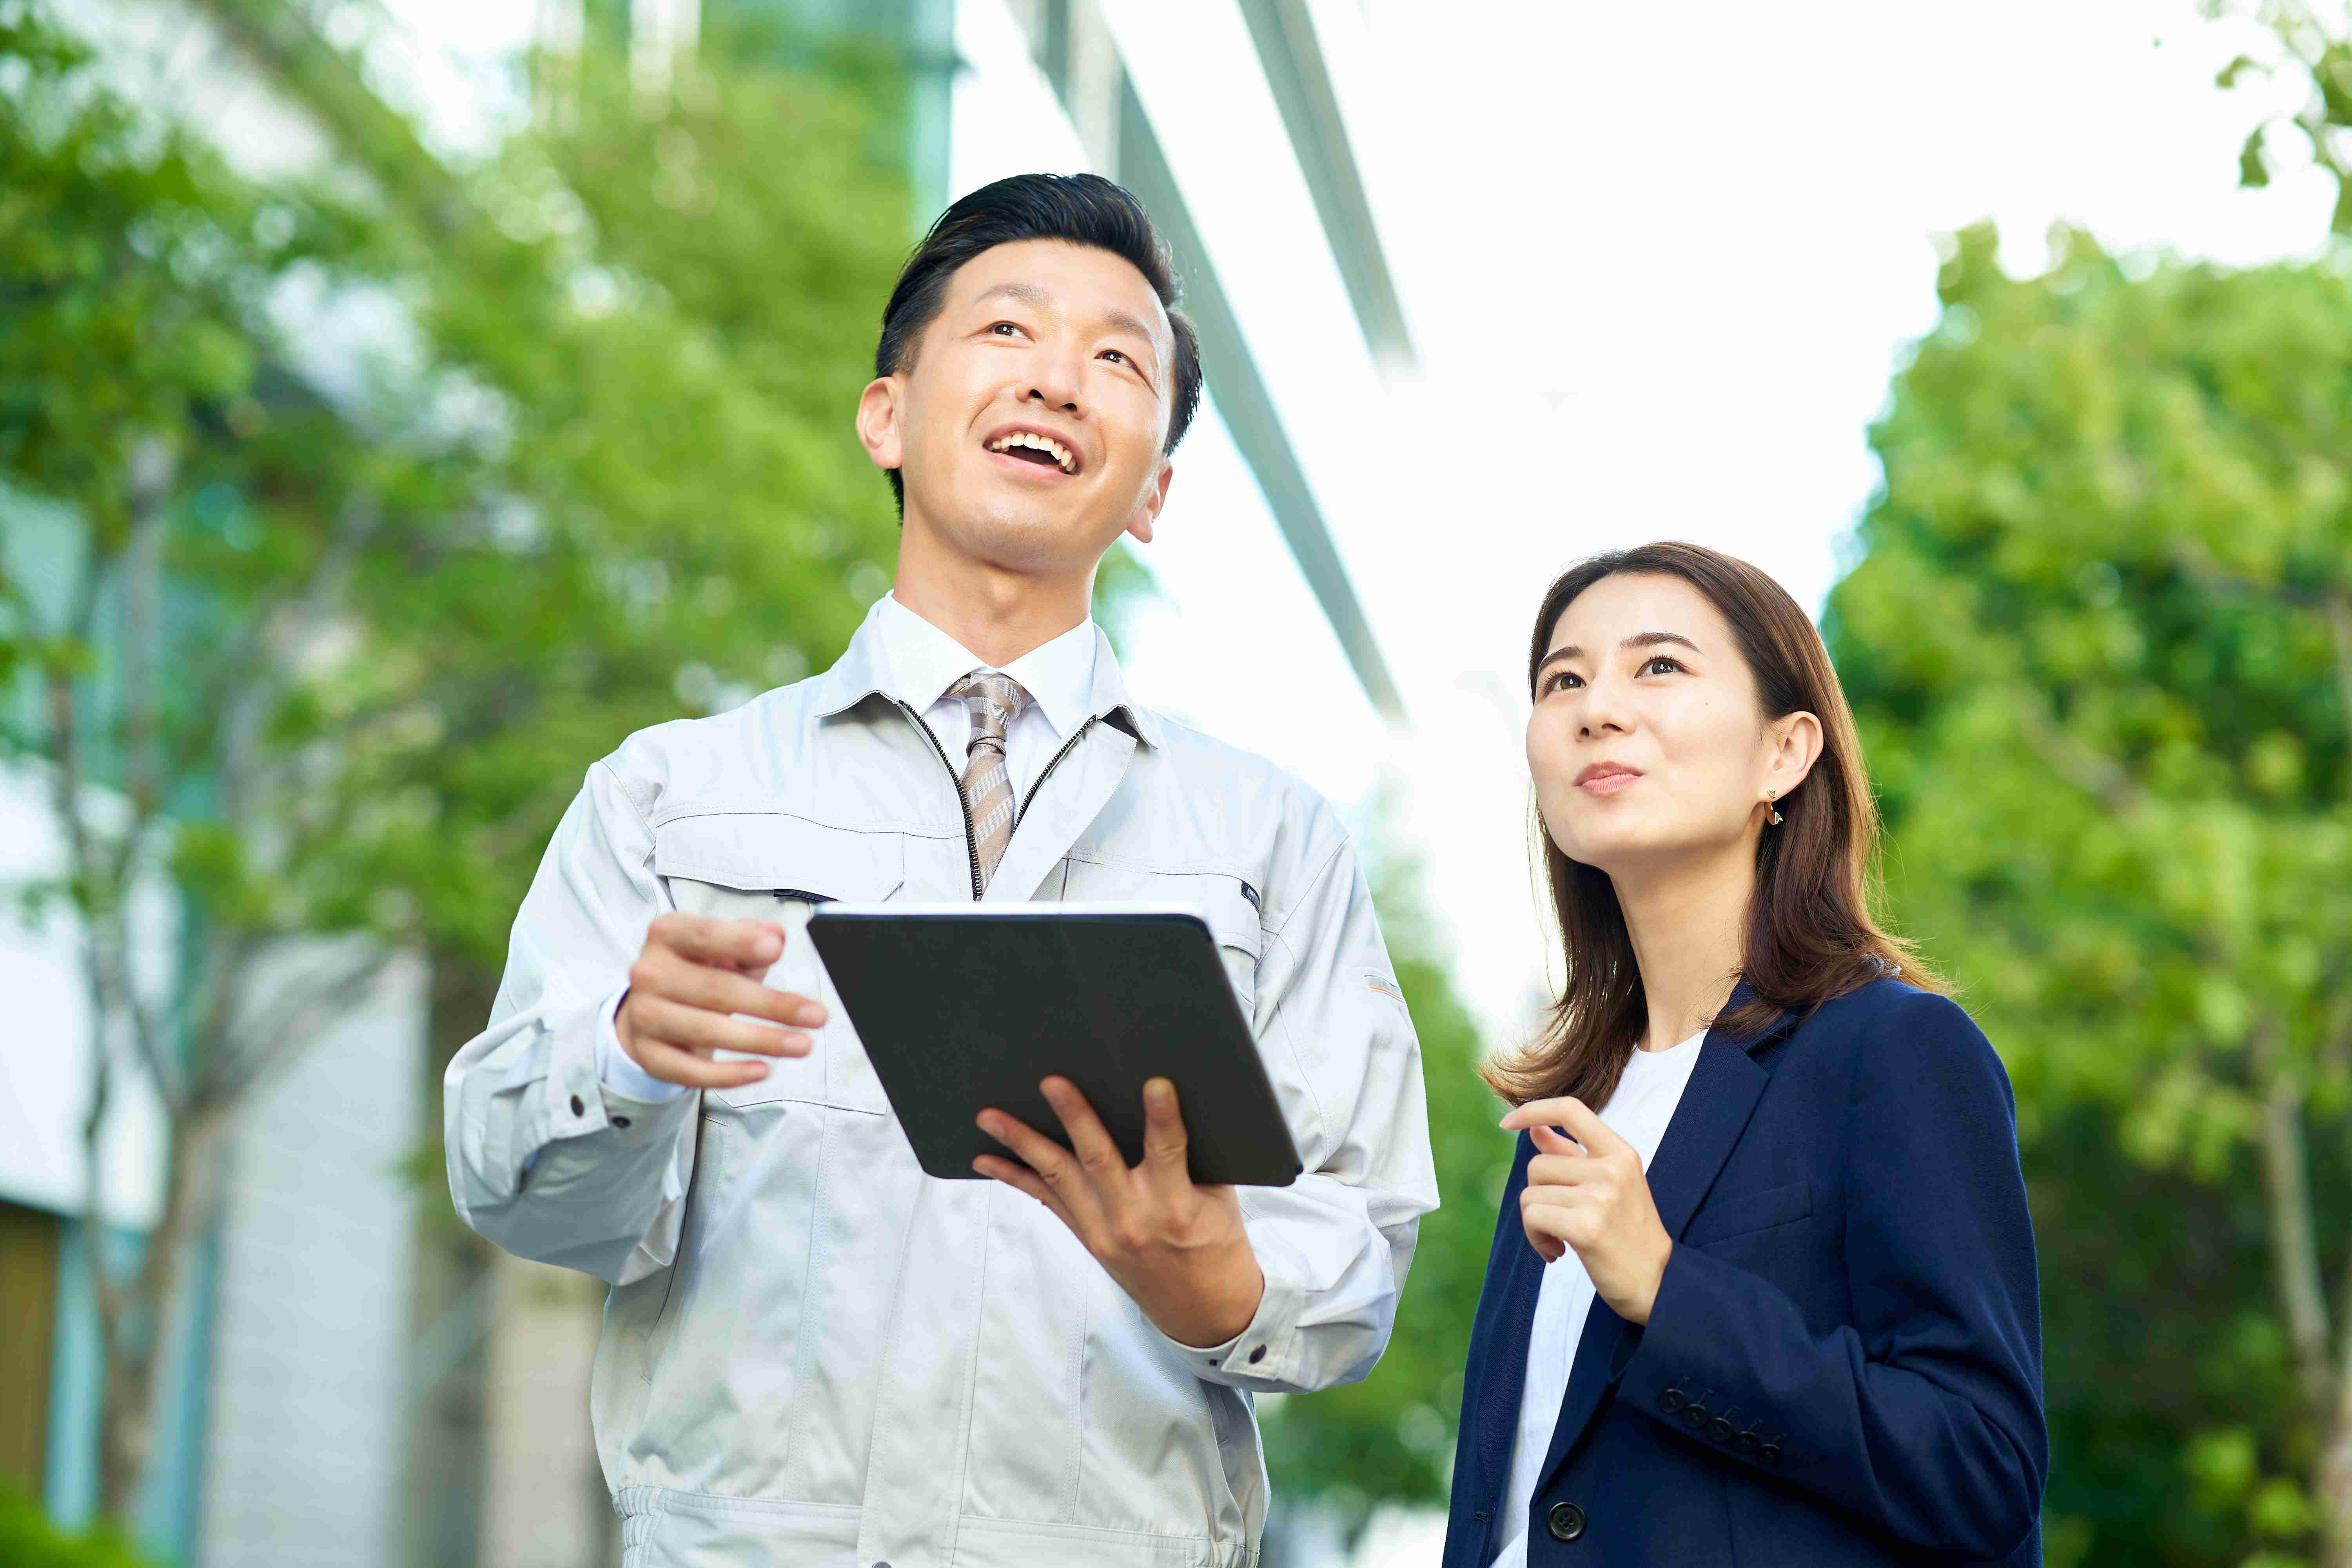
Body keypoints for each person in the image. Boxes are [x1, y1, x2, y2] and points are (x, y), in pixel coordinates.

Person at [443, 172, 1437, 1568]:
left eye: (1115, 359)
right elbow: (519, 1194)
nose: (1059, 382)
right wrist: (623, 1059)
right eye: (1008, 333)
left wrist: (1213, 1279)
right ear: (886, 415)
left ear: (1155, 490)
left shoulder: (1273, 841)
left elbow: (1360, 1251)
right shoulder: (675, 795)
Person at [1442, 543, 2045, 1566]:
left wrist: (1667, 1290)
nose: (1598, 707)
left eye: (1660, 667)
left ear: (1786, 754)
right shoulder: (1562, 1113)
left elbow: (1982, 1470)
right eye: (1563, 679)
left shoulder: (1893, 1051)